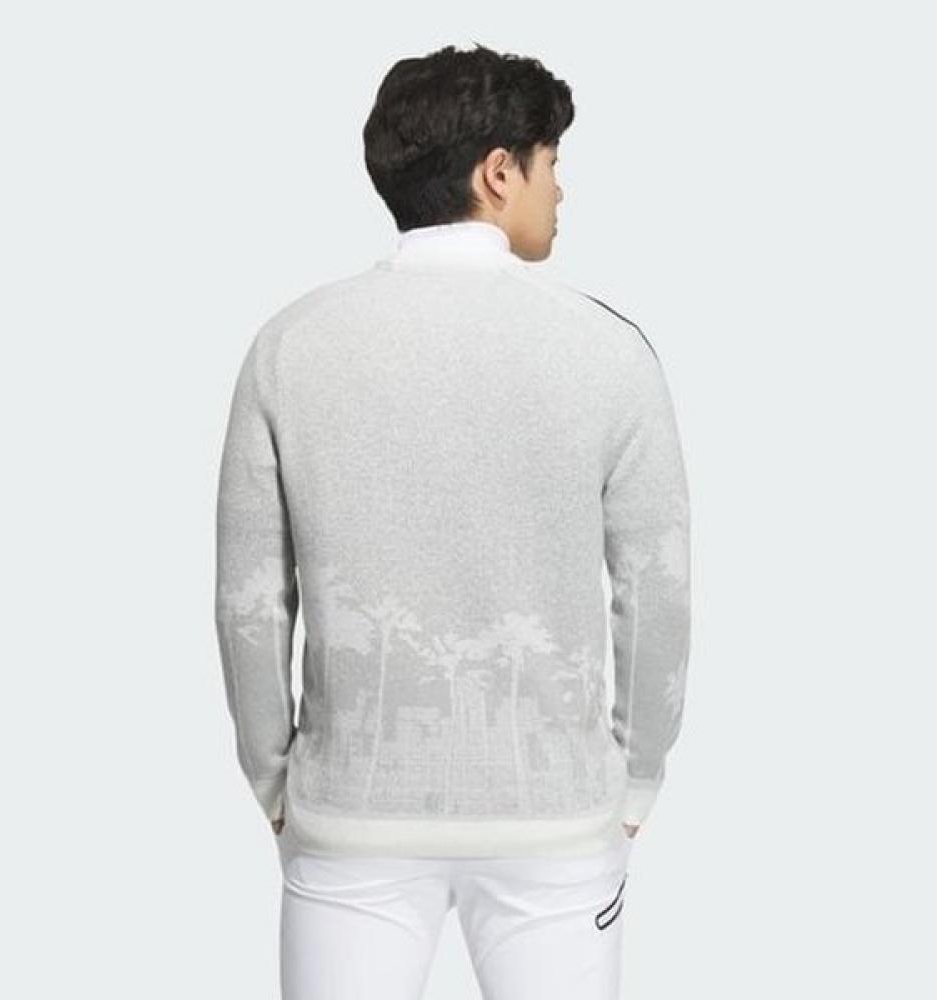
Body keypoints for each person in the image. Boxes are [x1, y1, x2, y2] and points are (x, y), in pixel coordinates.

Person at [214, 42, 691, 1000]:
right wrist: (637, 778)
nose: (561, 189)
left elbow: (249, 602)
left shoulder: (289, 345)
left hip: (350, 817)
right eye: (551, 162)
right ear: (498, 171)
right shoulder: (608, 350)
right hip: (554, 821)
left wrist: (275, 782)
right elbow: (658, 592)